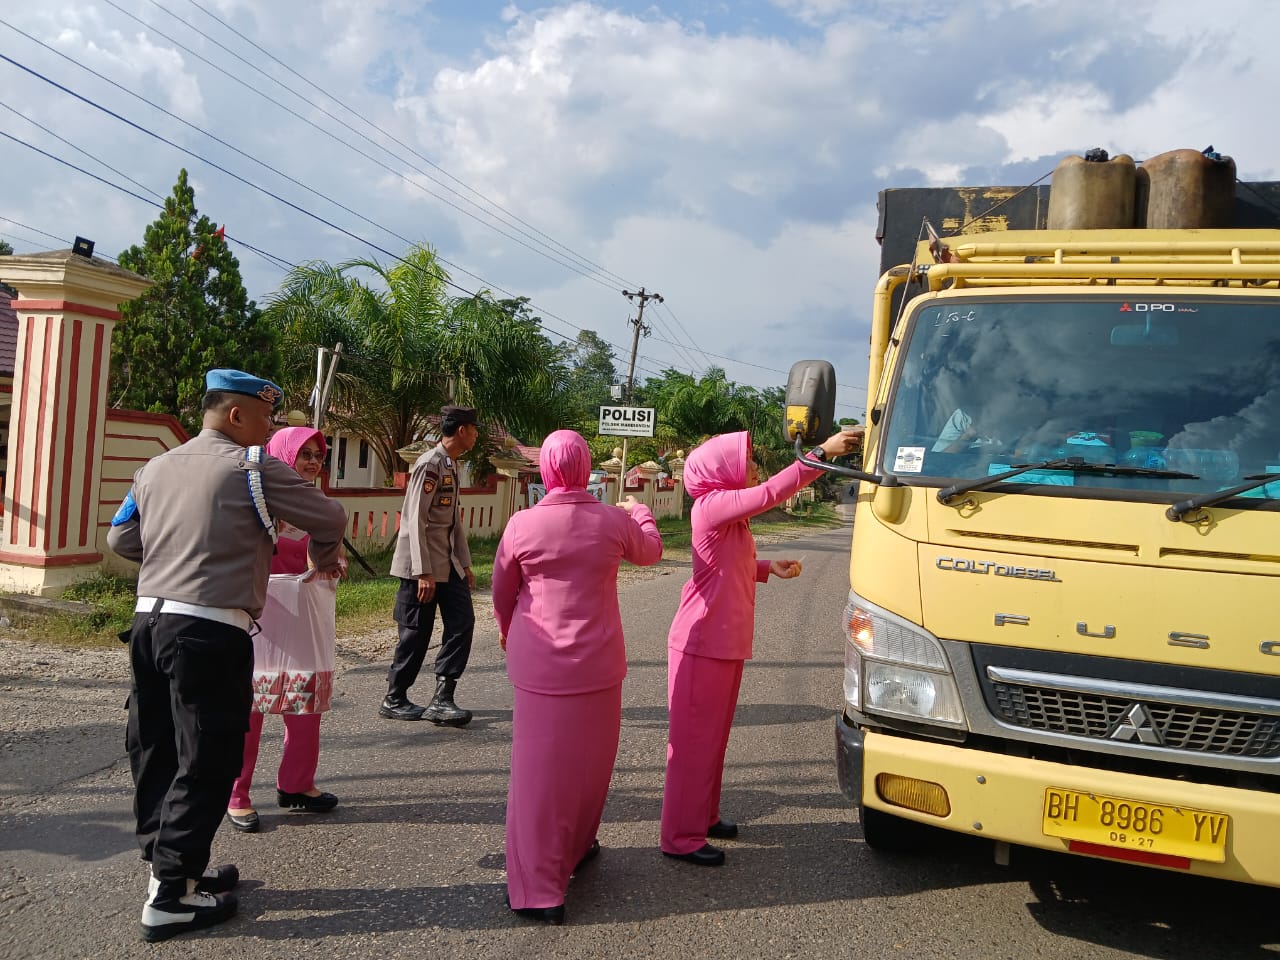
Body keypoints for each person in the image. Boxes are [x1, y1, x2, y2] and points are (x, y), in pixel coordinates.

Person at [107, 369, 348, 942]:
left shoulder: (154, 467)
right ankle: (170, 898)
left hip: (149, 623)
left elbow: (120, 540)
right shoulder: (253, 468)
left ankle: (171, 868)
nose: (271, 428)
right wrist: (320, 555)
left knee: (157, 748)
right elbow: (330, 517)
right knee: (208, 759)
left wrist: (175, 555)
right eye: (266, 416)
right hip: (209, 630)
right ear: (236, 414)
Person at [660, 427, 863, 867]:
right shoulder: (712, 505)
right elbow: (773, 491)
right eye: (745, 461)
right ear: (721, 469)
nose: (752, 468)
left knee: (712, 740)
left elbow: (728, 564)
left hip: (722, 642)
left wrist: (768, 566)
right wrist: (821, 453)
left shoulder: (728, 516)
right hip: (701, 643)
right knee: (693, 744)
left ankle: (704, 816)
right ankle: (679, 835)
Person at [492, 430, 663, 925]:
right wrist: (640, 511)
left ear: (545, 469)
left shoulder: (523, 524)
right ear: (586, 467)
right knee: (591, 763)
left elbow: (504, 590)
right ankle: (578, 845)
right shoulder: (611, 521)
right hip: (600, 663)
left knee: (539, 778)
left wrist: (509, 632)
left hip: (541, 663)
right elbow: (651, 551)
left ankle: (539, 888)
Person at [226, 427, 345, 834]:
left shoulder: (320, 508)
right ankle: (237, 792)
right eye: (304, 453)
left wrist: (333, 567)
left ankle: (296, 785)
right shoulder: (254, 503)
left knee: (305, 708)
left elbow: (331, 555)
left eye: (318, 455)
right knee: (249, 710)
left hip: (303, 619)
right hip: (258, 620)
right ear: (281, 456)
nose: (312, 461)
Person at [381, 405, 480, 723]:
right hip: (421, 568)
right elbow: (414, 520)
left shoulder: (451, 464)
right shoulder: (430, 464)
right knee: (415, 634)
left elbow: (453, 523)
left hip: (447, 564)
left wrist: (464, 565)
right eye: (475, 429)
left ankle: (443, 696)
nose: (477, 435)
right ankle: (395, 698)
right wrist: (422, 571)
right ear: (462, 430)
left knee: (462, 623)